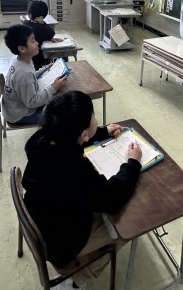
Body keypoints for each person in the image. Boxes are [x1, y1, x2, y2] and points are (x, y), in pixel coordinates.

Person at [22, 91, 142, 290]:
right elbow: (111, 199)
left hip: (44, 218)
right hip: (60, 241)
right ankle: (75, 282)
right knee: (129, 226)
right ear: (83, 133)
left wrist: (101, 132)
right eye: (92, 116)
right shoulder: (73, 168)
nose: (95, 118)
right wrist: (133, 163)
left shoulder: (44, 138)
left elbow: (70, 139)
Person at [2, 24, 66, 124]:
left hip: (15, 108)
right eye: (33, 41)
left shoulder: (21, 60)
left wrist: (45, 69)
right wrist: (53, 88)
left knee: (56, 99)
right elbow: (32, 102)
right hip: (21, 115)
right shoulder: (24, 73)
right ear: (22, 49)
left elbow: (31, 76)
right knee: (60, 114)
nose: (37, 43)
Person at [23, 0, 58, 70]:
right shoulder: (40, 28)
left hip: (27, 59)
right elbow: (51, 32)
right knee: (59, 58)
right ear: (42, 16)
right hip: (37, 62)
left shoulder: (26, 23)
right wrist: (43, 23)